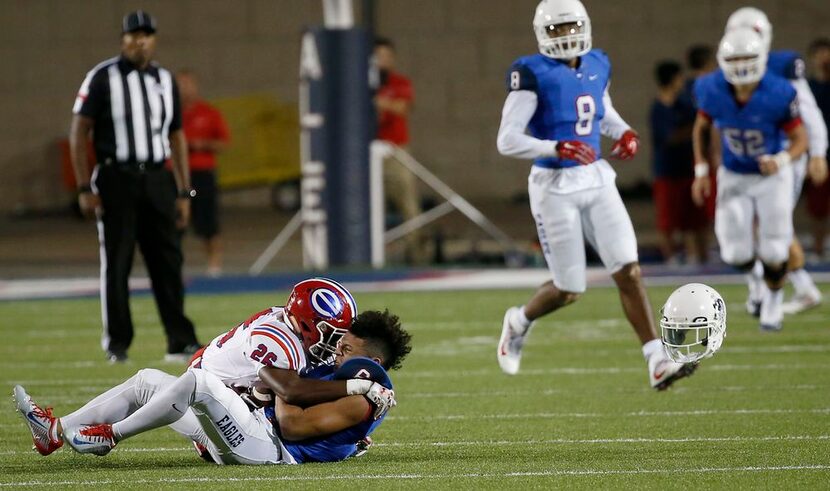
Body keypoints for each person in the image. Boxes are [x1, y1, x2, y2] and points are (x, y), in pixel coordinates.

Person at [495, 0, 696, 391]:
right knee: (569, 289)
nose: (566, 36)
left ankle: (656, 359)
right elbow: (507, 139)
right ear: (542, 34)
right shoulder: (531, 73)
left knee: (629, 269)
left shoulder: (597, 63)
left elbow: (600, 110)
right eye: (556, 30)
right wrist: (555, 147)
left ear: (585, 26)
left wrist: (623, 132)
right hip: (554, 186)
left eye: (571, 27)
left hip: (597, 179)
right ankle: (518, 321)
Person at [13, 290, 410, 464]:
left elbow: (290, 424)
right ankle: (56, 430)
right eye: (336, 341)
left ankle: (110, 436)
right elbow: (308, 401)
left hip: (269, 450)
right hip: (250, 430)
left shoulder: (364, 389)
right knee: (147, 379)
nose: (335, 349)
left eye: (345, 347)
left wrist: (280, 388)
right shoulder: (341, 377)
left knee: (198, 385)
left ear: (370, 364)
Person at [69, 10, 200, 364]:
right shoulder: (101, 78)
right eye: (134, 34)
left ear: (154, 39)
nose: (140, 40)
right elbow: (80, 130)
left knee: (168, 261)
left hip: (158, 177)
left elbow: (176, 134)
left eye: (147, 34)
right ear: (123, 39)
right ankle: (118, 343)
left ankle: (180, 339)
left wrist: (184, 191)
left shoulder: (164, 79)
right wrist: (84, 186)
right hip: (117, 178)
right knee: (118, 260)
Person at [692, 27, 808, 332]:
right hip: (733, 174)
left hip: (771, 176)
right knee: (734, 252)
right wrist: (701, 170)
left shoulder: (780, 91)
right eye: (736, 57)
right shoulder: (711, 88)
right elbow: (701, 127)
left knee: (774, 249)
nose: (742, 64)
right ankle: (758, 282)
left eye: (748, 57)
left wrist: (782, 159)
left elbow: (800, 138)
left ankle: (772, 302)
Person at [724, 8, 829, 316]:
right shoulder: (725, 74)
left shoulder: (782, 67)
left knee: (768, 223)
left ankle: (765, 290)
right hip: (750, 160)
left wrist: (819, 153)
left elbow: (809, 113)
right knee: (754, 222)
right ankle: (798, 287)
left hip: (786, 157)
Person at [650, 60, 709, 264]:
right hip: (666, 171)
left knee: (693, 219)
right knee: (668, 220)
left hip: (687, 170)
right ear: (672, 80)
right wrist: (695, 129)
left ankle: (698, 256)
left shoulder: (684, 105)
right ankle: (671, 258)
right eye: (679, 78)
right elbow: (671, 137)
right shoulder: (658, 109)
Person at [374, 37, 427, 264]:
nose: (383, 62)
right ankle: (375, 258)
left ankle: (417, 255)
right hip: (369, 154)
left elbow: (401, 108)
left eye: (387, 57)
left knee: (409, 204)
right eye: (379, 57)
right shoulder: (361, 84)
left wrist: (375, 101)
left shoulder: (399, 83)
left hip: (396, 151)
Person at [176, 70, 230, 277]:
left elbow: (224, 143)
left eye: (188, 85)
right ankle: (173, 266)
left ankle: (214, 266)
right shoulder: (168, 113)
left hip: (201, 174)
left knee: (207, 221)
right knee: (175, 222)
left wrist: (202, 144)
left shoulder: (209, 113)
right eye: (180, 85)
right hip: (176, 174)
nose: (184, 90)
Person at [806, 38, 830, 260]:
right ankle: (818, 249)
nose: (824, 58)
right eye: (819, 54)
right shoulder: (808, 88)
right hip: (819, 156)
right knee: (818, 208)